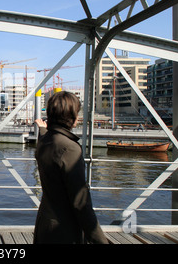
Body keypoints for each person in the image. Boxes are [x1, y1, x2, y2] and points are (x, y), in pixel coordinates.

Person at [33, 91, 108, 244]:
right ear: (71, 117)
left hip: (44, 225)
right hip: (62, 232)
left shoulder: (44, 141)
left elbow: (45, 137)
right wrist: (101, 241)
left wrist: (42, 129)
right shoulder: (69, 148)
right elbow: (81, 203)